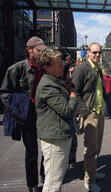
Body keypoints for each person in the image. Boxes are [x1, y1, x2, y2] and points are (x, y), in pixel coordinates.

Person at [0, 36, 47, 192]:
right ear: (29, 50)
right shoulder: (16, 69)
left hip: (44, 113)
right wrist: (18, 110)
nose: (42, 54)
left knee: (46, 148)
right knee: (32, 150)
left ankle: (44, 175)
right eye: (39, 51)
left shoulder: (45, 68)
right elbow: (4, 93)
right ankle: (32, 184)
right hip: (27, 115)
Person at [35, 48, 78, 192]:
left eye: (61, 63)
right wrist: (72, 95)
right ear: (46, 67)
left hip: (58, 136)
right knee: (53, 184)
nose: (61, 67)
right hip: (55, 139)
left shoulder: (54, 81)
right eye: (57, 64)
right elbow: (66, 110)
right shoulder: (48, 85)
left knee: (53, 180)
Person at [72, 42, 106, 192]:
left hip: (100, 112)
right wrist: (84, 111)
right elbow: (74, 91)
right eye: (94, 52)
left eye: (99, 52)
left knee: (97, 146)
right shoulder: (82, 68)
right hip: (90, 113)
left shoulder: (98, 68)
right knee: (91, 148)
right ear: (88, 52)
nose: (97, 55)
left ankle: (92, 172)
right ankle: (89, 180)